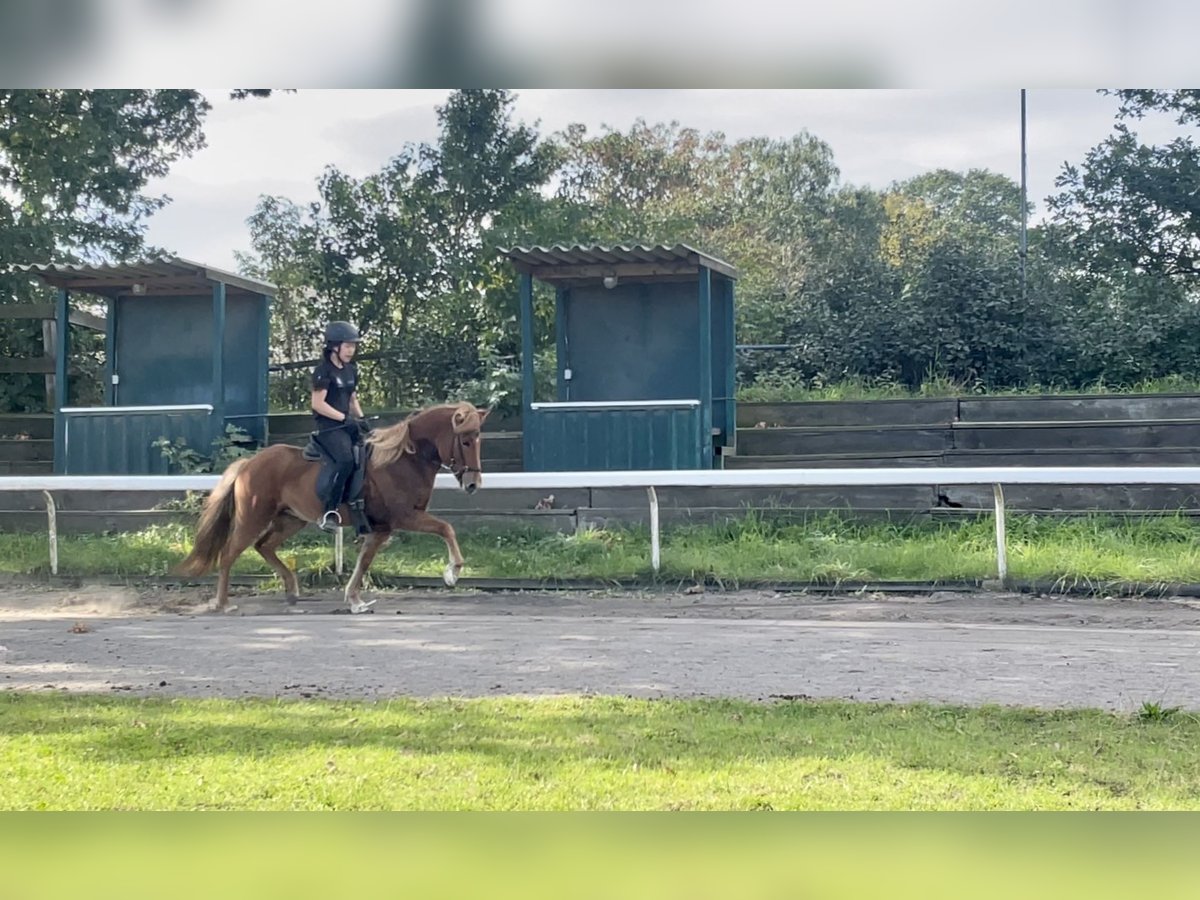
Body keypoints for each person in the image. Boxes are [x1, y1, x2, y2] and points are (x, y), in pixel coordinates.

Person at [311, 321, 370, 532]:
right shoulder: (323, 371)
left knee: (369, 455)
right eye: (347, 346)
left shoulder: (350, 370)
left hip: (347, 425)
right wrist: (343, 418)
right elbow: (318, 404)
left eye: (353, 347)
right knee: (345, 460)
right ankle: (329, 511)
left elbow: (352, 399)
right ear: (334, 347)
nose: (351, 351)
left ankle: (360, 511)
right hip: (328, 428)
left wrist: (362, 420)